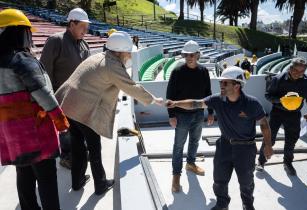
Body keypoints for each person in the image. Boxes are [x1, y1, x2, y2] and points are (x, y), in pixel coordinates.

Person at [55, 31, 164, 195]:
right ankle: (100, 185)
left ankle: (77, 182)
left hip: (69, 107)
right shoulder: (112, 65)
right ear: (119, 51)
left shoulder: (98, 57)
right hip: (84, 112)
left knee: (77, 147)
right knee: (94, 149)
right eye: (128, 51)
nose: (129, 55)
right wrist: (154, 99)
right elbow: (131, 87)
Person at [166, 66, 273, 210]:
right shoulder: (217, 99)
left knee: (246, 182)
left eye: (225, 83)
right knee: (219, 180)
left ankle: (248, 205)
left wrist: (268, 145)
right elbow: (195, 103)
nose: (221, 85)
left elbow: (264, 124)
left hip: (245, 149)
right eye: (220, 83)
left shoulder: (251, 103)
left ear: (237, 85)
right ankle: (222, 204)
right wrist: (176, 103)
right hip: (224, 146)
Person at [0, 9, 69, 210]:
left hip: (11, 135)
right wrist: (60, 118)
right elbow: (42, 92)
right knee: (46, 179)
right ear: (18, 32)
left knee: (23, 174)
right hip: (35, 131)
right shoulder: (21, 59)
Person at [40, 7, 91, 169]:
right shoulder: (56, 41)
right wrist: (49, 98)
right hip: (60, 97)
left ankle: (78, 152)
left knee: (79, 130)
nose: (86, 30)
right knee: (65, 130)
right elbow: (44, 71)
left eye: (86, 26)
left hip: (80, 96)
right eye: (82, 26)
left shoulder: (84, 45)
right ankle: (67, 156)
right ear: (72, 24)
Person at [166, 40, 214, 193]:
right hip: (181, 116)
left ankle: (191, 164)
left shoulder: (204, 72)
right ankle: (176, 175)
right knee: (178, 146)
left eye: (192, 55)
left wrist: (211, 112)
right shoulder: (177, 72)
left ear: (198, 55)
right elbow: (170, 95)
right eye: (187, 55)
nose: (190, 58)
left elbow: (208, 93)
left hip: (199, 114)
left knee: (194, 141)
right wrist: (171, 115)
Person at [257, 57, 307, 175]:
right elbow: (268, 95)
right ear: (290, 68)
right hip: (277, 113)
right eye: (295, 70)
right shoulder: (278, 79)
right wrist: (281, 100)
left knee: (291, 140)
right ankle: (261, 161)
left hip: (294, 115)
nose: (298, 74)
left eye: (301, 72)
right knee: (269, 138)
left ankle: (287, 163)